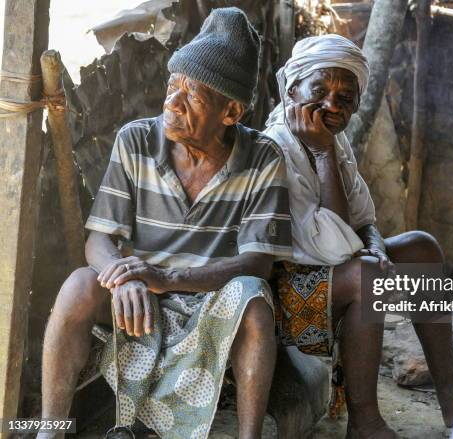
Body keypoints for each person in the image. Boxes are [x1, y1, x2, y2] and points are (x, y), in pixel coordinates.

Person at [38, 8, 291, 439]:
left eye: (192, 96)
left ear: (231, 112)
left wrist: (166, 276)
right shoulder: (136, 140)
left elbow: (258, 264)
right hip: (138, 300)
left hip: (212, 302)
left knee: (253, 299)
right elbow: (99, 238)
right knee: (80, 285)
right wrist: (122, 279)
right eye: (172, 85)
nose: (171, 102)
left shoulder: (262, 158)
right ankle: (49, 430)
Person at [264, 34, 453, 438]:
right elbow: (334, 247)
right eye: (319, 91)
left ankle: (452, 391)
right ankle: (365, 421)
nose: (331, 105)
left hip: (328, 272)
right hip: (280, 293)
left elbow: (363, 217)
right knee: (366, 276)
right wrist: (322, 155)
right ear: (291, 89)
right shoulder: (276, 148)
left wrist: (374, 244)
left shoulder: (332, 141)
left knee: (421, 248)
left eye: (345, 97)